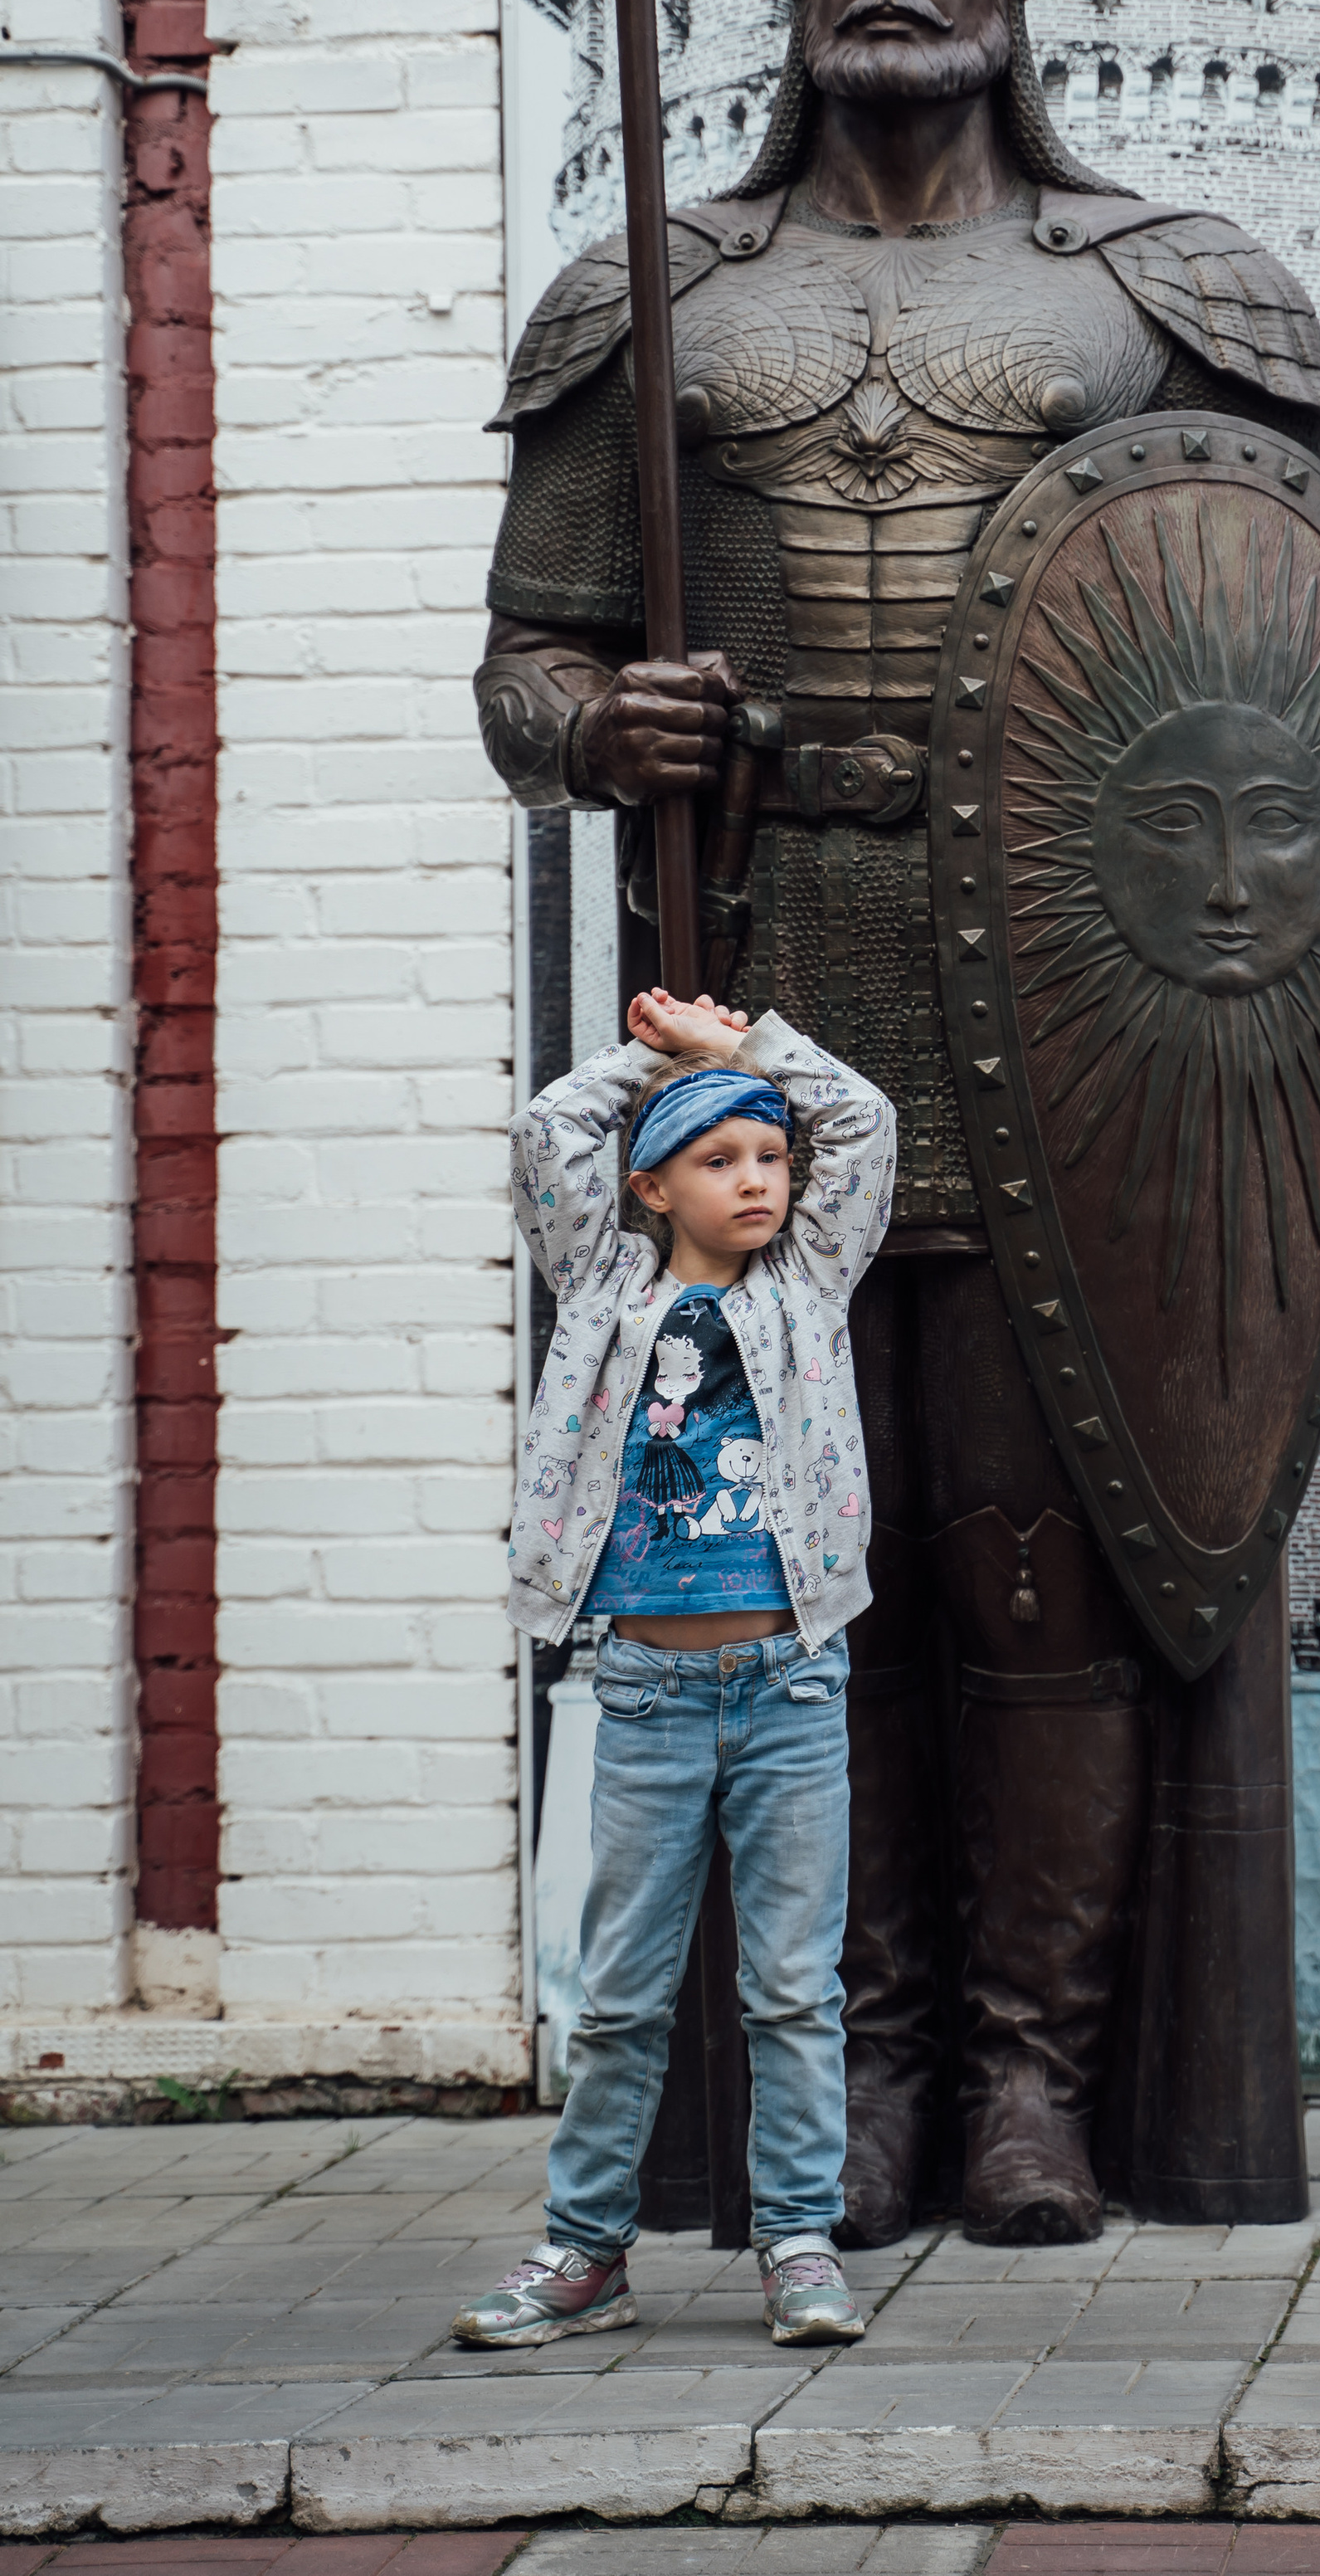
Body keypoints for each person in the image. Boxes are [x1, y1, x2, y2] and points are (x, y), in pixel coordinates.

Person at [474, 0, 1320, 2245]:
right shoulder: (662, 295)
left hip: (1080, 1003)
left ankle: (1035, 2085)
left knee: (1033, 1556)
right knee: (785, 1552)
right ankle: (844, 2088)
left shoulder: (1155, 294)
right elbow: (528, 661)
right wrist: (597, 716)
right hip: (766, 987)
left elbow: (1274, 656)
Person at [452, 984, 894, 2350]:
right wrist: (657, 1054)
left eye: (768, 1157)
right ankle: (586, 2253)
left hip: (789, 1685)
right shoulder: (601, 1284)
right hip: (645, 1689)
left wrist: (742, 1050)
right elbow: (548, 1127)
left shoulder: (809, 1281)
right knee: (624, 1992)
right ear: (650, 1190)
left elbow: (862, 1122)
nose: (757, 1180)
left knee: (793, 1991)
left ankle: (801, 2245)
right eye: (721, 1160)